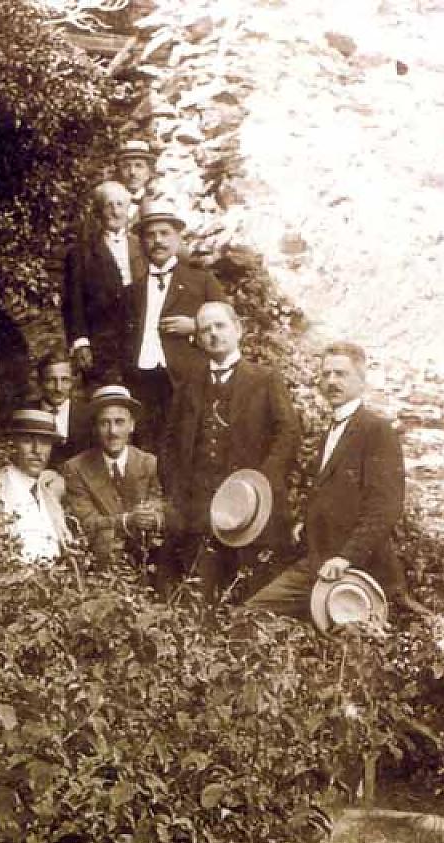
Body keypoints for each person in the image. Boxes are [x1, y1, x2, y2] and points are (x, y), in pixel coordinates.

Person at [248, 341, 406, 617]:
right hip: (318, 561)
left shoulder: (376, 430)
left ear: (361, 380)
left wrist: (347, 557)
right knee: (253, 613)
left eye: (341, 374)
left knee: (352, 649)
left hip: (357, 569)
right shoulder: (331, 431)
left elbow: (385, 507)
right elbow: (332, 492)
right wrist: (305, 523)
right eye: (325, 374)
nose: (331, 381)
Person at [160, 302, 299, 600]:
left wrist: (262, 484)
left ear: (238, 329)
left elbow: (288, 433)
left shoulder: (265, 378)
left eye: (220, 326)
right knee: (201, 598)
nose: (213, 334)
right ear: (197, 339)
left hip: (251, 512)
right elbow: (170, 441)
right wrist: (178, 492)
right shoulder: (189, 383)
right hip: (199, 512)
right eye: (204, 330)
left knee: (250, 598)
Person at [122, 197, 225, 450]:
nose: (157, 240)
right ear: (142, 243)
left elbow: (227, 323)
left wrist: (196, 326)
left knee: (185, 444)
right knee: (145, 446)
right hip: (141, 379)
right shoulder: (131, 291)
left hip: (185, 378)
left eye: (165, 233)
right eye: (150, 235)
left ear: (178, 237)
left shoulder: (201, 281)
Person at [62, 385, 165, 568]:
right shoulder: (76, 468)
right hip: (101, 565)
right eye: (104, 423)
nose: (113, 432)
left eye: (119, 422)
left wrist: (153, 516)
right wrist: (127, 520)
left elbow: (163, 506)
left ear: (131, 425)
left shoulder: (150, 464)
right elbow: (87, 523)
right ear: (95, 427)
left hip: (149, 561)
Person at [62, 180, 145, 387]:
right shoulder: (82, 252)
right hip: (102, 343)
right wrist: (80, 342)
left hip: (141, 341)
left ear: (128, 210)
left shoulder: (143, 247)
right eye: (109, 205)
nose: (115, 212)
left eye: (120, 205)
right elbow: (74, 300)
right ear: (99, 211)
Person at [0, 409, 71, 562]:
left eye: (44, 442)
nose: (37, 450)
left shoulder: (47, 492)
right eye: (27, 441)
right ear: (12, 444)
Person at [36, 347, 91, 465]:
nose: (58, 388)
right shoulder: (27, 412)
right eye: (51, 380)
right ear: (40, 382)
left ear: (73, 382)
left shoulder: (88, 415)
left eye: (65, 380)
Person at [114, 139, 157, 219]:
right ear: (118, 172)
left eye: (139, 166)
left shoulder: (157, 200)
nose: (132, 172)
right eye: (126, 166)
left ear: (149, 172)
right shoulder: (111, 202)